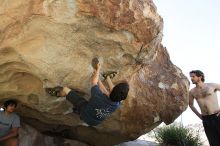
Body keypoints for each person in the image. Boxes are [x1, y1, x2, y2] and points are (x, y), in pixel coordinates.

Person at [46, 60, 129, 126]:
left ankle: (58, 94)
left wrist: (98, 70)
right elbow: (108, 92)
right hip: (95, 122)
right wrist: (100, 79)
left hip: (85, 112)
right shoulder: (117, 104)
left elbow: (94, 82)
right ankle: (107, 77)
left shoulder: (97, 95)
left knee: (65, 89)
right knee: (109, 94)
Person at [189, 70, 220, 146]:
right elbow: (191, 105)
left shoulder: (212, 86)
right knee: (213, 142)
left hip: (218, 116)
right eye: (191, 77)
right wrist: (199, 115)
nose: (191, 78)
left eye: (193, 76)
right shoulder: (192, 92)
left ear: (200, 77)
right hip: (206, 119)